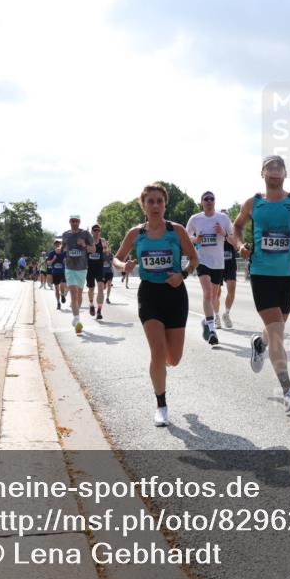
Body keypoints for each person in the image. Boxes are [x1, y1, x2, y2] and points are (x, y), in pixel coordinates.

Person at [231, 155, 290, 412]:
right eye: (270, 168)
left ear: (285, 174)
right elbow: (236, 228)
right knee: (278, 331)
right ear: (262, 174)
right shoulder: (253, 203)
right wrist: (240, 245)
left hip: (287, 275)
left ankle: (260, 344)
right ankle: (288, 390)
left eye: (279, 168)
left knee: (275, 330)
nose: (274, 172)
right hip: (261, 274)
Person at [113, 183, 198, 427]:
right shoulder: (136, 233)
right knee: (158, 351)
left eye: (159, 201)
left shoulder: (177, 230)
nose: (155, 206)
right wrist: (123, 266)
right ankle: (161, 405)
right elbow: (117, 257)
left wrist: (182, 274)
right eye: (150, 201)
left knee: (174, 358)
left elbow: (194, 258)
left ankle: (161, 368)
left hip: (175, 293)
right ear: (143, 205)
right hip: (149, 294)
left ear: (165, 204)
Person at [186, 192, 234, 345]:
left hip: (218, 263)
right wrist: (196, 239)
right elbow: (185, 237)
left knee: (213, 297)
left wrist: (224, 233)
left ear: (215, 202)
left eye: (211, 198)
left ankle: (207, 322)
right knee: (207, 293)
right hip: (202, 260)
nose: (209, 201)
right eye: (206, 199)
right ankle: (212, 331)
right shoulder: (195, 219)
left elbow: (233, 239)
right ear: (201, 202)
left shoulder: (223, 218)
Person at [61, 215, 94, 333]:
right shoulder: (65, 235)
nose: (74, 223)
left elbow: (93, 249)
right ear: (69, 222)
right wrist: (60, 249)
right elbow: (63, 247)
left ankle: (76, 316)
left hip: (82, 268)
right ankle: (77, 320)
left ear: (79, 222)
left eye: (76, 221)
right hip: (70, 268)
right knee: (74, 294)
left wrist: (84, 245)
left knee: (79, 295)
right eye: (72, 221)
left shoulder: (85, 234)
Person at [86, 224, 111, 320]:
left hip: (100, 268)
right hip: (90, 268)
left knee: (100, 287)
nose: (97, 232)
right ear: (92, 231)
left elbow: (106, 251)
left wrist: (106, 250)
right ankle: (91, 304)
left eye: (98, 230)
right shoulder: (88, 241)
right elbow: (85, 252)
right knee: (91, 289)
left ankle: (99, 311)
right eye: (95, 230)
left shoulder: (103, 241)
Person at [216, 231, 238, 328]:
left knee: (232, 289)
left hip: (230, 266)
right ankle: (216, 316)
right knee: (217, 293)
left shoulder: (231, 234)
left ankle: (226, 314)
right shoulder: (214, 233)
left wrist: (226, 235)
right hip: (217, 266)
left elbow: (237, 245)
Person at [46, 240, 67, 310]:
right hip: (55, 273)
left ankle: (63, 295)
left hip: (62, 272)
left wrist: (65, 261)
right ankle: (58, 303)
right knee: (57, 289)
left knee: (62, 286)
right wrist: (53, 259)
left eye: (59, 244)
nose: (57, 245)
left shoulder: (64, 253)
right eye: (56, 244)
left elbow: (68, 261)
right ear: (54, 246)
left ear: (61, 245)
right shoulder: (51, 253)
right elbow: (48, 263)